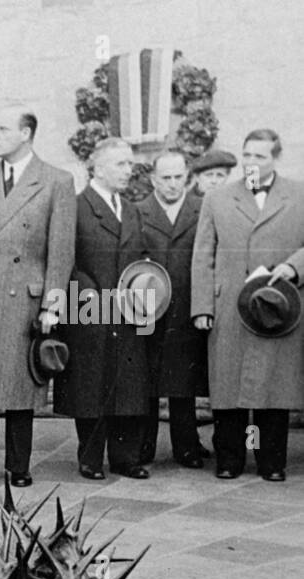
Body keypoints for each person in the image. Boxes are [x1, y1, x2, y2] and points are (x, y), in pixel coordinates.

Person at [0, 107, 75, 487]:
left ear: (26, 133)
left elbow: (62, 250)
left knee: (22, 386)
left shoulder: (56, 181)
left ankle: (19, 466)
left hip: (25, 298)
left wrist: (53, 302)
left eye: (2, 129)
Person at [192, 128, 304, 481]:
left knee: (274, 386)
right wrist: (202, 307)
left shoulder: (298, 195)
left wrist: (293, 267)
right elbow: (202, 255)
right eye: (248, 155)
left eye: (260, 156)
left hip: (277, 306)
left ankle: (271, 462)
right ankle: (230, 459)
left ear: (276, 158)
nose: (252, 162)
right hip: (229, 307)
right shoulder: (219, 198)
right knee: (228, 388)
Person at [54, 138, 151, 479]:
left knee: (127, 385)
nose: (129, 170)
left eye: (129, 164)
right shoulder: (76, 207)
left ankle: (125, 458)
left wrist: (142, 288)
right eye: (121, 164)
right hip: (90, 312)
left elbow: (141, 258)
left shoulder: (132, 209)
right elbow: (65, 259)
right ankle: (90, 459)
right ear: (97, 168)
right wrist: (88, 294)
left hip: (127, 312)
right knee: (91, 386)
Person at [137, 150, 209, 468]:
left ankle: (187, 447)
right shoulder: (138, 212)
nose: (172, 184)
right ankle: (144, 446)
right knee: (148, 382)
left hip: (186, 307)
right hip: (150, 311)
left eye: (179, 177)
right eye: (165, 178)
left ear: (187, 176)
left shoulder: (201, 210)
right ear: (153, 179)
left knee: (184, 383)